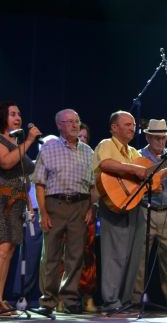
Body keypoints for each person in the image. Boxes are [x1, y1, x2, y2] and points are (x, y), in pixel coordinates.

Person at [0, 101, 42, 315]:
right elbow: (6, 162)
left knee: (8, 251)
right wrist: (30, 140)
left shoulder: (16, 144)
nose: (18, 117)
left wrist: (30, 204)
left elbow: (25, 176)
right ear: (2, 117)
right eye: (12, 114)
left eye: (19, 114)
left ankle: (0, 299)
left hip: (16, 202)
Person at [32, 109, 94, 315]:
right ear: (59, 125)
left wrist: (91, 207)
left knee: (75, 256)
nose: (75, 125)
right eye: (70, 122)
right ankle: (48, 301)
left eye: (77, 121)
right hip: (55, 204)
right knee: (51, 255)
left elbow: (93, 185)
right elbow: (39, 183)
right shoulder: (49, 148)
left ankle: (69, 300)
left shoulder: (88, 151)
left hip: (80, 205)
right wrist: (43, 213)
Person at [93, 110, 147, 316]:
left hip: (134, 205)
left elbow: (146, 174)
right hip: (113, 204)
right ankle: (110, 301)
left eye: (133, 125)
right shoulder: (106, 144)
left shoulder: (134, 152)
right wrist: (133, 170)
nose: (133, 128)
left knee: (133, 255)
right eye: (128, 124)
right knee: (114, 255)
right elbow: (105, 164)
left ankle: (124, 300)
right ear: (114, 127)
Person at [133, 119, 167, 313]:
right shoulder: (138, 156)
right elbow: (134, 184)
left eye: (163, 138)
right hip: (145, 210)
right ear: (148, 137)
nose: (161, 141)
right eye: (157, 138)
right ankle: (135, 298)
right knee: (140, 257)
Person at [77, 122, 98, 313]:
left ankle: (88, 296)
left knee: (88, 254)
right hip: (67, 208)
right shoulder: (63, 153)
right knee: (65, 254)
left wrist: (92, 208)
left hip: (87, 208)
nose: (82, 140)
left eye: (85, 137)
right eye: (79, 136)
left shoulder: (90, 155)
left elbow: (94, 187)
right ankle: (63, 297)